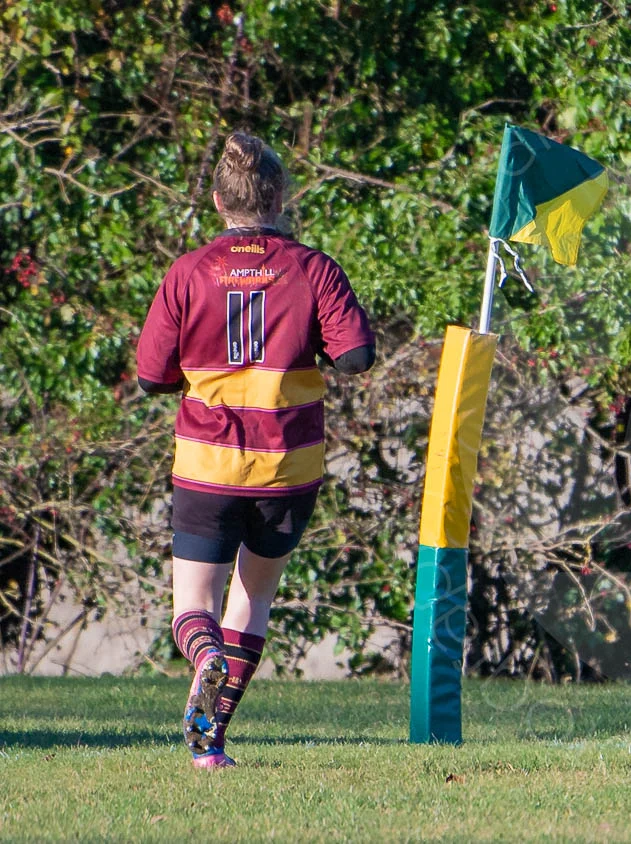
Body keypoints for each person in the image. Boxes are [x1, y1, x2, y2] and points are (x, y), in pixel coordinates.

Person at [136, 132, 376, 769]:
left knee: (195, 608)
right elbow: (357, 357)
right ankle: (209, 745)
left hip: (207, 464)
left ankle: (205, 657)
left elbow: (150, 377)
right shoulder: (313, 268)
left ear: (218, 201)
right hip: (286, 465)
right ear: (279, 196)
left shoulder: (188, 272)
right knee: (254, 598)